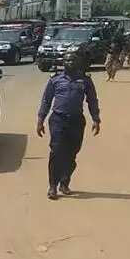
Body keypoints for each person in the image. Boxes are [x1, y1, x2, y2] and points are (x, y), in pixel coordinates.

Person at [37, 46, 101, 200]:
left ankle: (64, 182)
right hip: (58, 120)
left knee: (72, 154)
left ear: (78, 61)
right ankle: (52, 186)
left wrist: (96, 118)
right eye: (66, 60)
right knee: (56, 151)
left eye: (72, 60)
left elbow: (92, 100)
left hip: (77, 121)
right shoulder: (55, 79)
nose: (69, 62)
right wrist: (40, 120)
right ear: (63, 62)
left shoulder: (85, 81)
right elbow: (46, 100)